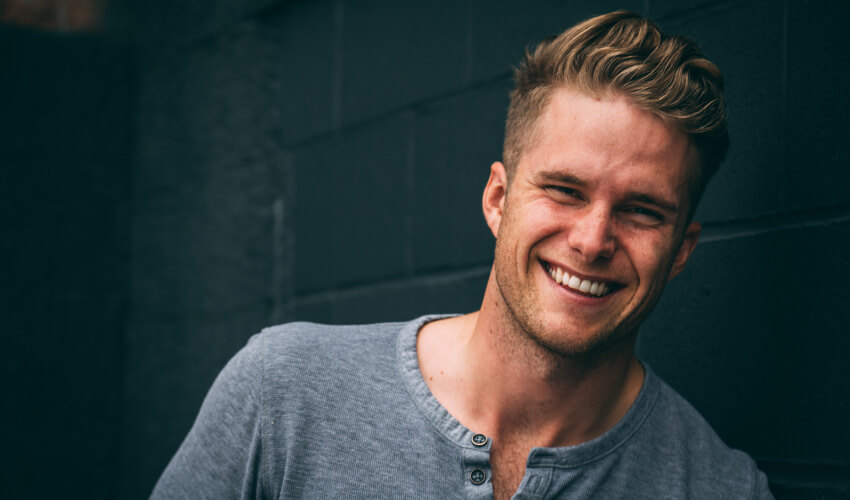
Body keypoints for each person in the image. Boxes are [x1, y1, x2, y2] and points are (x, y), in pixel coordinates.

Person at [152, 11, 773, 499]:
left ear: (682, 249)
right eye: (563, 190)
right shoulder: (283, 394)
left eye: (641, 211)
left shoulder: (721, 487)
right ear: (499, 200)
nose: (591, 240)